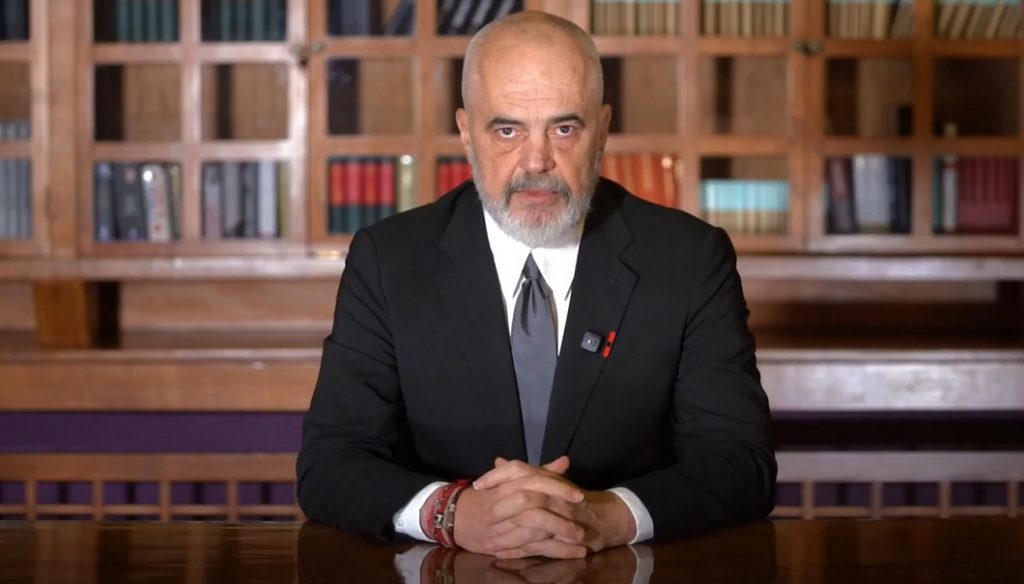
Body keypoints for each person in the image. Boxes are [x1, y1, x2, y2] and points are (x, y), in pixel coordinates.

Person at [297, 10, 776, 559]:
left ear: (602, 128)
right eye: (507, 129)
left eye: (564, 129)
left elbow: (740, 462)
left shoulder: (689, 259)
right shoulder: (389, 260)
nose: (536, 161)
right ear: (466, 132)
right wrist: (454, 514)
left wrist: (608, 516)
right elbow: (330, 463)